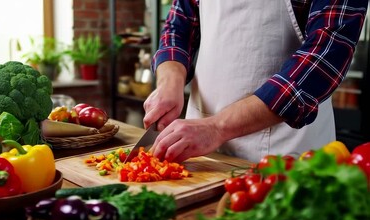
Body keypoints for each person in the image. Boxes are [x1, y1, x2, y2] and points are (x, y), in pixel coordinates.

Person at [143, 0, 368, 163]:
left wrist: (216, 127)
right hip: (196, 146)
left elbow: (322, 60)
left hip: (284, 154)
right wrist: (169, 82)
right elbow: (177, 28)